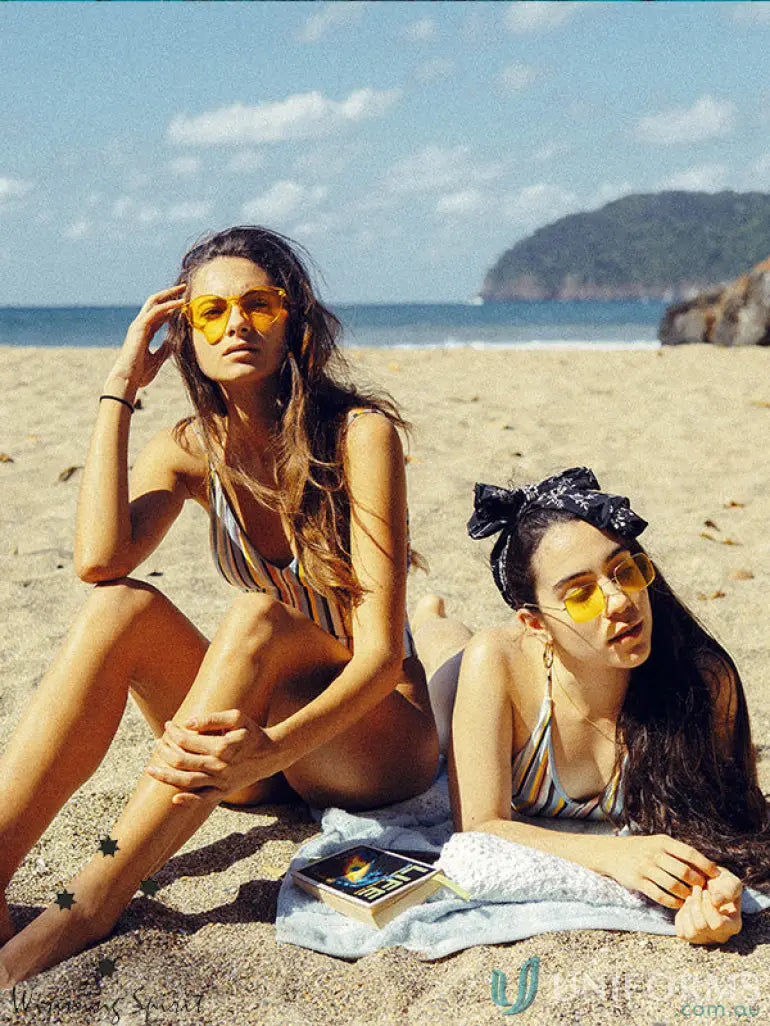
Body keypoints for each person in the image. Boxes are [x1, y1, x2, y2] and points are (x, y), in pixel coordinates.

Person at [0, 226, 439, 985]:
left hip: (371, 746)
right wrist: (120, 386)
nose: (236, 323)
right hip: (244, 757)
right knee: (119, 609)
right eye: (210, 313)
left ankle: (87, 902)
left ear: (293, 319)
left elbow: (381, 658)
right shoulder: (189, 446)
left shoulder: (359, 435)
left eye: (257, 304)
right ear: (186, 338)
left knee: (255, 615)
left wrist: (278, 745)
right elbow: (98, 562)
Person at [412, 467, 770, 946]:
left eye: (625, 570)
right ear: (535, 623)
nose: (620, 601)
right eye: (580, 594)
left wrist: (717, 892)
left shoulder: (703, 682)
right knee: (442, 678)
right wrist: (614, 856)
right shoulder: (500, 662)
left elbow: (734, 820)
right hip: (491, 677)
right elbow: (479, 825)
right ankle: (428, 615)